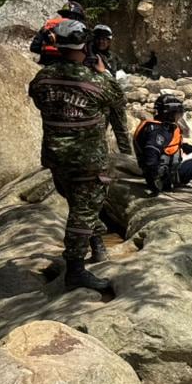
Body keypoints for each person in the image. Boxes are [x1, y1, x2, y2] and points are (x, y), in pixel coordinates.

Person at [28, 18, 131, 291]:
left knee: (78, 207)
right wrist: (103, 73)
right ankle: (75, 269)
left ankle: (96, 244)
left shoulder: (42, 79)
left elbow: (38, 98)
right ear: (84, 45)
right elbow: (118, 101)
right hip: (87, 161)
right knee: (83, 211)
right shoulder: (97, 80)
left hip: (54, 157)